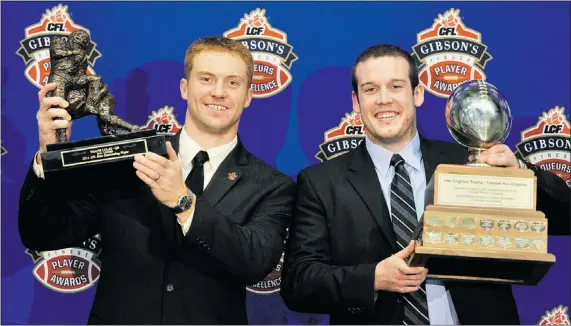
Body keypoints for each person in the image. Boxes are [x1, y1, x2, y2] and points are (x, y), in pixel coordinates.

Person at [280, 44, 570, 325]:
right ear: (356, 102)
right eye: (370, 89)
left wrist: (520, 172)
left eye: (396, 86)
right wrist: (373, 278)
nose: (384, 99)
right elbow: (298, 283)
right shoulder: (321, 183)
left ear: (417, 93)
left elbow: (564, 218)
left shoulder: (467, 162)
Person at [19, 37, 295, 324]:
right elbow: (45, 233)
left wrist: (184, 203)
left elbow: (255, 263)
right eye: (206, 79)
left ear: (249, 96)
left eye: (233, 83)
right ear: (184, 88)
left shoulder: (271, 185)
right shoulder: (126, 161)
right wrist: (47, 156)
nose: (218, 92)